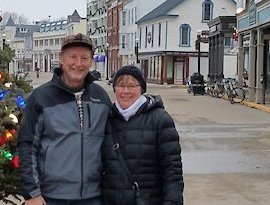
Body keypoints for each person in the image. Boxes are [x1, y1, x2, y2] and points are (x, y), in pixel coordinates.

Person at [18, 33, 112, 205]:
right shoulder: (41, 97)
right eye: (72, 57)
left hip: (94, 197)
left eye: (84, 58)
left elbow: (111, 146)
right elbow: (27, 146)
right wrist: (32, 193)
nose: (78, 63)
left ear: (91, 62)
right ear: (61, 59)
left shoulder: (101, 98)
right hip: (51, 197)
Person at [101, 66, 184, 205]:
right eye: (120, 85)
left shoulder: (160, 119)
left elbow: (172, 170)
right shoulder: (105, 118)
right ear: (114, 89)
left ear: (142, 89)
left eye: (132, 85)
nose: (125, 91)